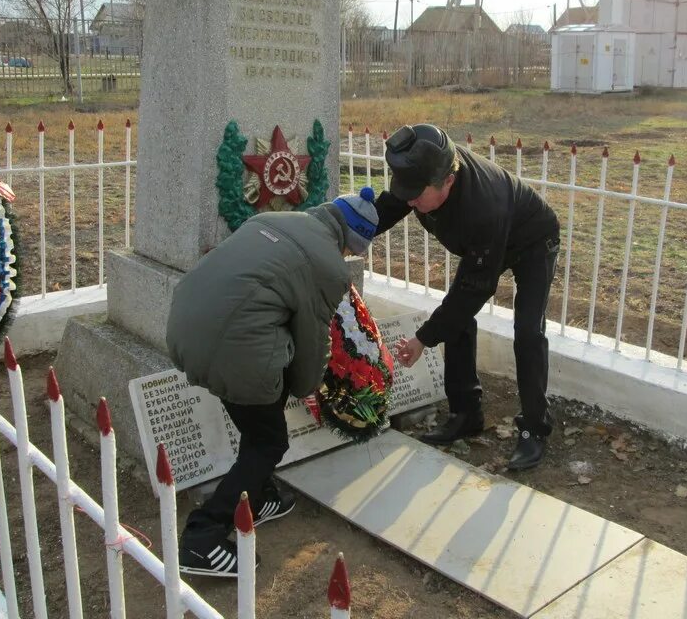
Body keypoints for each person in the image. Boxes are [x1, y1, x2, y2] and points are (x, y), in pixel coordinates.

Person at [167, 187, 379, 578]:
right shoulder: (329, 267)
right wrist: (308, 388)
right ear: (350, 243)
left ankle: (259, 496)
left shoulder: (270, 219)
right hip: (235, 349)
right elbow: (313, 342)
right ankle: (203, 537)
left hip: (184, 329)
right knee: (269, 441)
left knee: (257, 420)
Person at [374, 124, 560, 471]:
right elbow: (388, 207)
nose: (409, 200)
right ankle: (466, 413)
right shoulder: (426, 169)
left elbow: (475, 289)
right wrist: (347, 232)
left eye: (416, 193)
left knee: (527, 332)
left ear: (448, 181)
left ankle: (534, 428)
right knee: (457, 321)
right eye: (406, 190)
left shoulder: (482, 208)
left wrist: (423, 339)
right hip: (485, 245)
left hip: (532, 241)